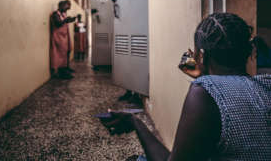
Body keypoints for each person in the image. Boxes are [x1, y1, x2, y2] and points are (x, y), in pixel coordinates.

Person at [101, 13, 271, 161]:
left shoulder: (205, 91)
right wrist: (205, 75)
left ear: (202, 56)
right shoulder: (266, 84)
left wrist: (136, 123)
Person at [50, 0, 77, 79]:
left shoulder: (63, 14)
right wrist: (66, 20)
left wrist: (70, 20)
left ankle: (66, 68)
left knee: (67, 51)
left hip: (64, 36)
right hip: (58, 37)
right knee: (60, 54)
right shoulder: (55, 14)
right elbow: (58, 23)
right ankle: (60, 71)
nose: (67, 8)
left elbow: (64, 22)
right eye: (66, 6)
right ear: (61, 6)